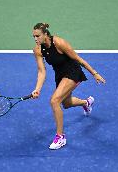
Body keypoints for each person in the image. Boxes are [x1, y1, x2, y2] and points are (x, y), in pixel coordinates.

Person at [31, 22, 106, 150]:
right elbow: (41, 71)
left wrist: (94, 73)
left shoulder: (59, 43)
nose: (35, 39)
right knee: (65, 103)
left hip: (73, 72)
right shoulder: (37, 50)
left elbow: (78, 59)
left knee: (54, 101)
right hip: (60, 75)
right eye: (33, 36)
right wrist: (37, 89)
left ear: (45, 34)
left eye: (38, 36)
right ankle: (86, 103)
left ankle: (60, 137)